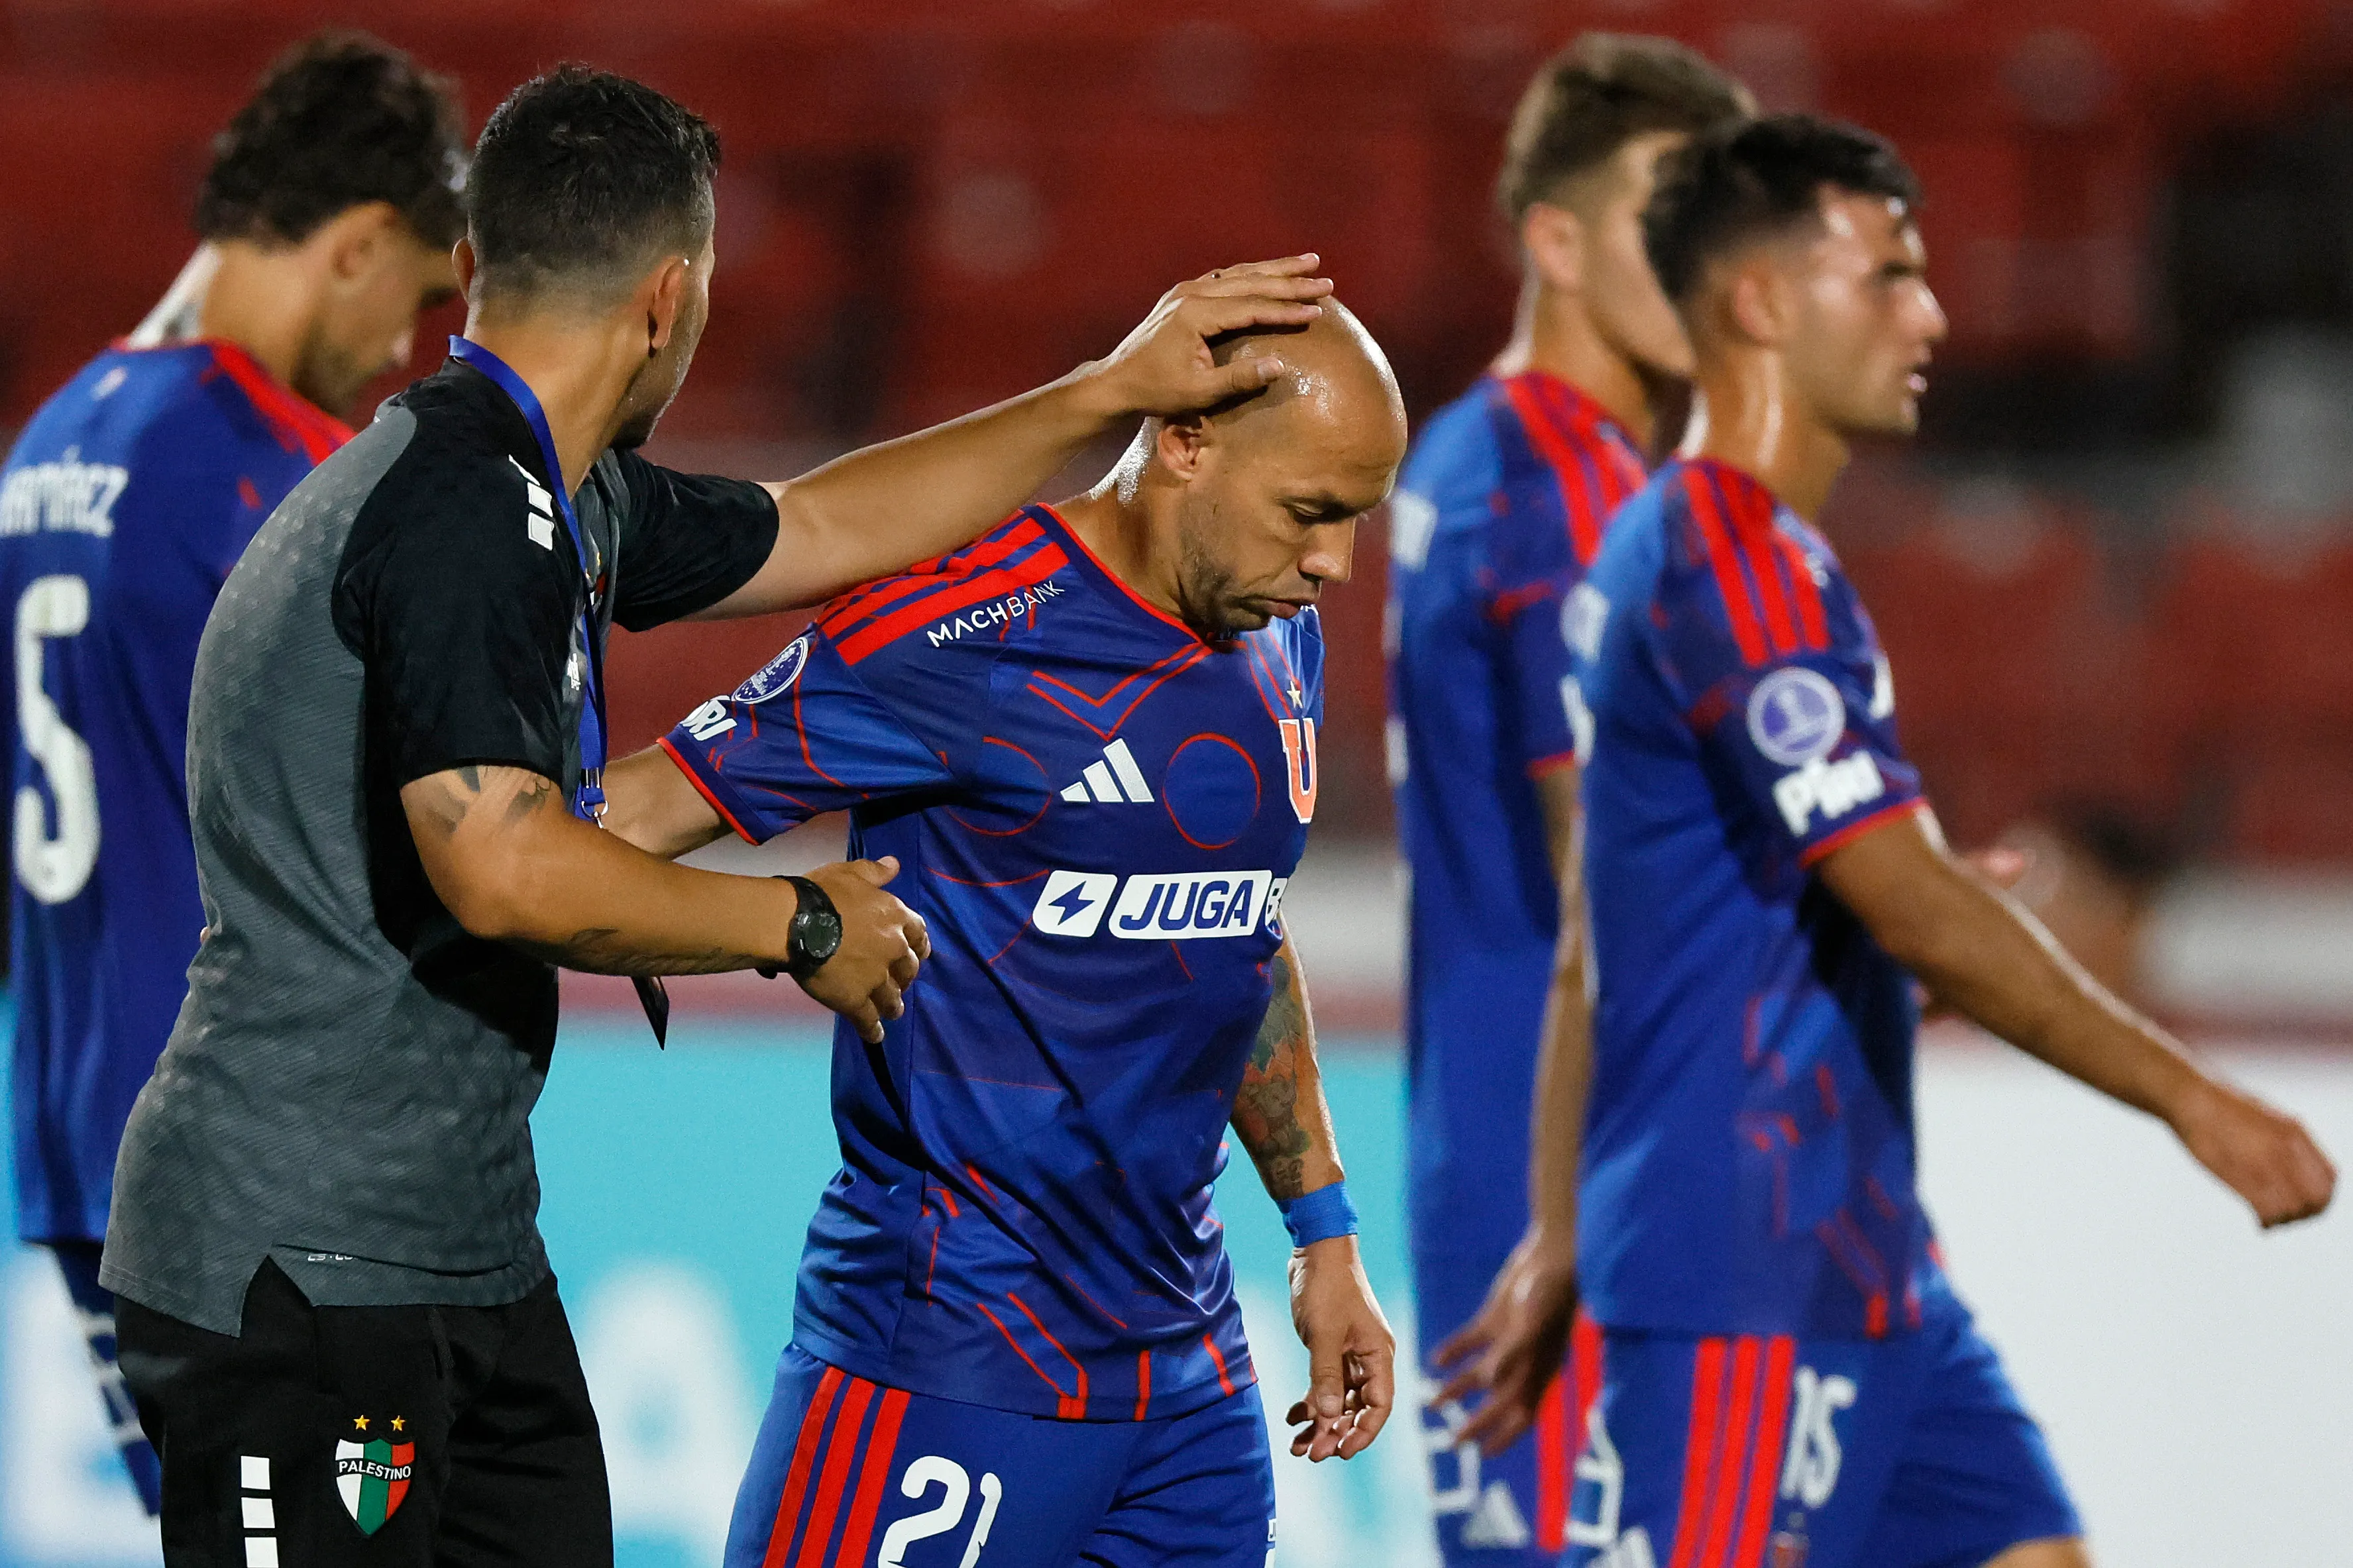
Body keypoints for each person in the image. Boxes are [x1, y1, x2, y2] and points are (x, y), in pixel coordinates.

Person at [99, 63, 1335, 1567]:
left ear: (481, 266)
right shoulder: (460, 517)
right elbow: (498, 863)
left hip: (458, 1250)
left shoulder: (558, 495)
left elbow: (821, 524)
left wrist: (1102, 395)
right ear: (672, 297)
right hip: (300, 1260)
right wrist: (791, 918)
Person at [1434, 115, 2336, 1568]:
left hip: (1860, 1259)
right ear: (1759, 304)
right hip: (1734, 1260)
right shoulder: (1726, 564)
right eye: (1889, 276)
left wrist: (1552, 1232)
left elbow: (1607, 947)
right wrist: (2193, 1099)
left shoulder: (1743, 553)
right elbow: (1905, 902)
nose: (1931, 312)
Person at [599, 303, 1407, 1568]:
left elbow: (1236, 931)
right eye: (1311, 510)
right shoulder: (962, 634)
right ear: (1184, 442)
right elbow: (627, 817)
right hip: (949, 1354)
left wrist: (1326, 1235)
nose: (1338, 566)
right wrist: (778, 926)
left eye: (1358, 518)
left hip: (1185, 1399)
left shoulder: (1274, 633)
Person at [0, 30, 466, 1515]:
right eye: (421, 295)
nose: (411, 344)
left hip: (82, 1149)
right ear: (358, 244)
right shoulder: (267, 476)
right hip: (253, 1174)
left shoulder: (55, 441)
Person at [1384, 34, 1750, 1562]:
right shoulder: (1561, 493)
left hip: (1490, 1136)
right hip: (1585, 1178)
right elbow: (1612, 877)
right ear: (1552, 236)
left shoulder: (1473, 452)